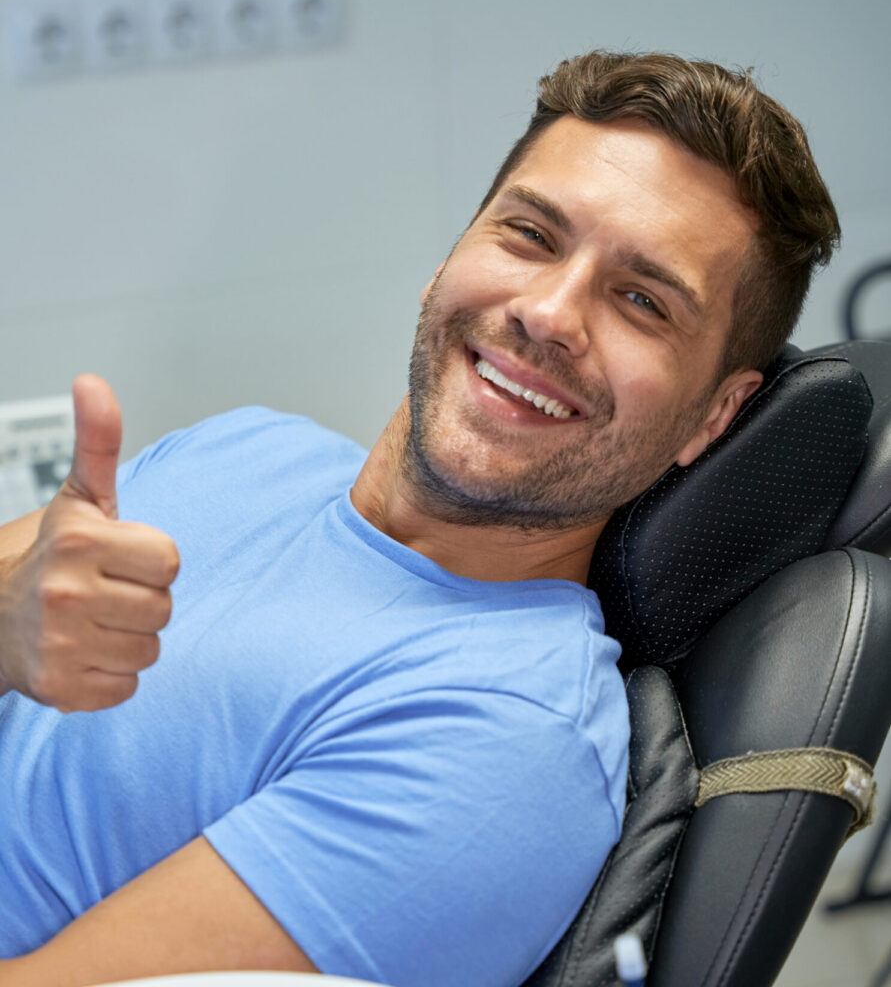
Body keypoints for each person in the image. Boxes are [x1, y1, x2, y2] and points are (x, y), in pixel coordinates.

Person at [0, 50, 839, 987]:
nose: (549, 312)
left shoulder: (506, 745)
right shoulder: (240, 450)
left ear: (714, 416)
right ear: (453, 254)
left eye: (641, 301)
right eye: (529, 234)